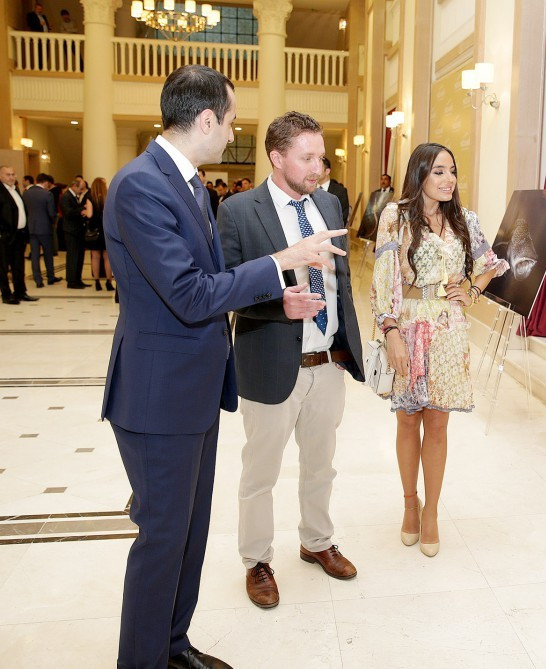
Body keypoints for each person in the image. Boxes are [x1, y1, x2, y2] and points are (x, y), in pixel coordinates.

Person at [101, 64, 347, 669]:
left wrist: (275, 295)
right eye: (232, 120)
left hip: (195, 390)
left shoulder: (188, 185)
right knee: (163, 540)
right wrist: (282, 260)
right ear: (206, 119)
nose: (234, 132)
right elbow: (189, 294)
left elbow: (214, 283)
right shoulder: (141, 186)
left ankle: (173, 646)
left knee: (189, 536)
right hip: (159, 397)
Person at [218, 111, 365, 609]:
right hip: (269, 363)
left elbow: (342, 282)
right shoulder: (239, 211)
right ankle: (257, 560)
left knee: (321, 465)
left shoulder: (328, 202)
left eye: (321, 157)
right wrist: (277, 304)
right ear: (277, 157)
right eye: (307, 158)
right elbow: (225, 288)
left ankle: (317, 541)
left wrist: (346, 347)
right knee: (260, 473)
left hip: (326, 363)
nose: (318, 168)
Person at [370, 143, 507, 557]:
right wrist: (390, 330)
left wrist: (471, 291)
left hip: (449, 328)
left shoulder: (465, 219)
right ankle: (410, 504)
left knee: (438, 424)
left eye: (452, 171)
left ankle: (431, 512)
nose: (449, 180)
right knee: (408, 419)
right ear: (420, 174)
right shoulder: (395, 216)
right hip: (407, 323)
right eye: (439, 171)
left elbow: (490, 264)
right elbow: (383, 278)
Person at [1, 165, 40, 304]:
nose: (11, 177)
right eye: (8, 175)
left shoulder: (15, 190)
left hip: (19, 235)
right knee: (3, 267)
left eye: (13, 174)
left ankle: (20, 292)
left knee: (18, 266)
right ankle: (6, 294)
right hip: (5, 236)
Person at [23, 172, 60, 288]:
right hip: (45, 228)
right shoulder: (47, 194)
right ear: (46, 182)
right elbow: (51, 213)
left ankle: (38, 280)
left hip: (32, 228)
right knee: (48, 254)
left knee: (35, 255)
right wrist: (53, 222)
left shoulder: (26, 193)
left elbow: (25, 211)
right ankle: (50, 277)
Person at [81, 177, 114, 291]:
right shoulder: (107, 197)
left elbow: (89, 215)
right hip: (106, 230)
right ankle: (109, 282)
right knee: (107, 258)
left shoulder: (90, 197)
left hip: (94, 232)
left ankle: (97, 282)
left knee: (95, 257)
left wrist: (85, 211)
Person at [60, 177, 88, 288]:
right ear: (74, 186)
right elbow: (68, 213)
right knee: (73, 256)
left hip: (78, 231)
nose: (82, 191)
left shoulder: (74, 196)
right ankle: (71, 281)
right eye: (81, 188)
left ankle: (77, 279)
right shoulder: (66, 197)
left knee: (79, 256)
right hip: (71, 231)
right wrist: (82, 210)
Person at [358, 173, 394, 241]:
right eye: (382, 179)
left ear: (390, 181)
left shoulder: (393, 192)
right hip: (376, 219)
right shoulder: (376, 193)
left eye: (385, 179)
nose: (383, 181)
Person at [319, 157, 350, 224]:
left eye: (318, 169)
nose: (315, 172)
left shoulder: (340, 191)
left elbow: (343, 217)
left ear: (327, 171)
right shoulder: (309, 190)